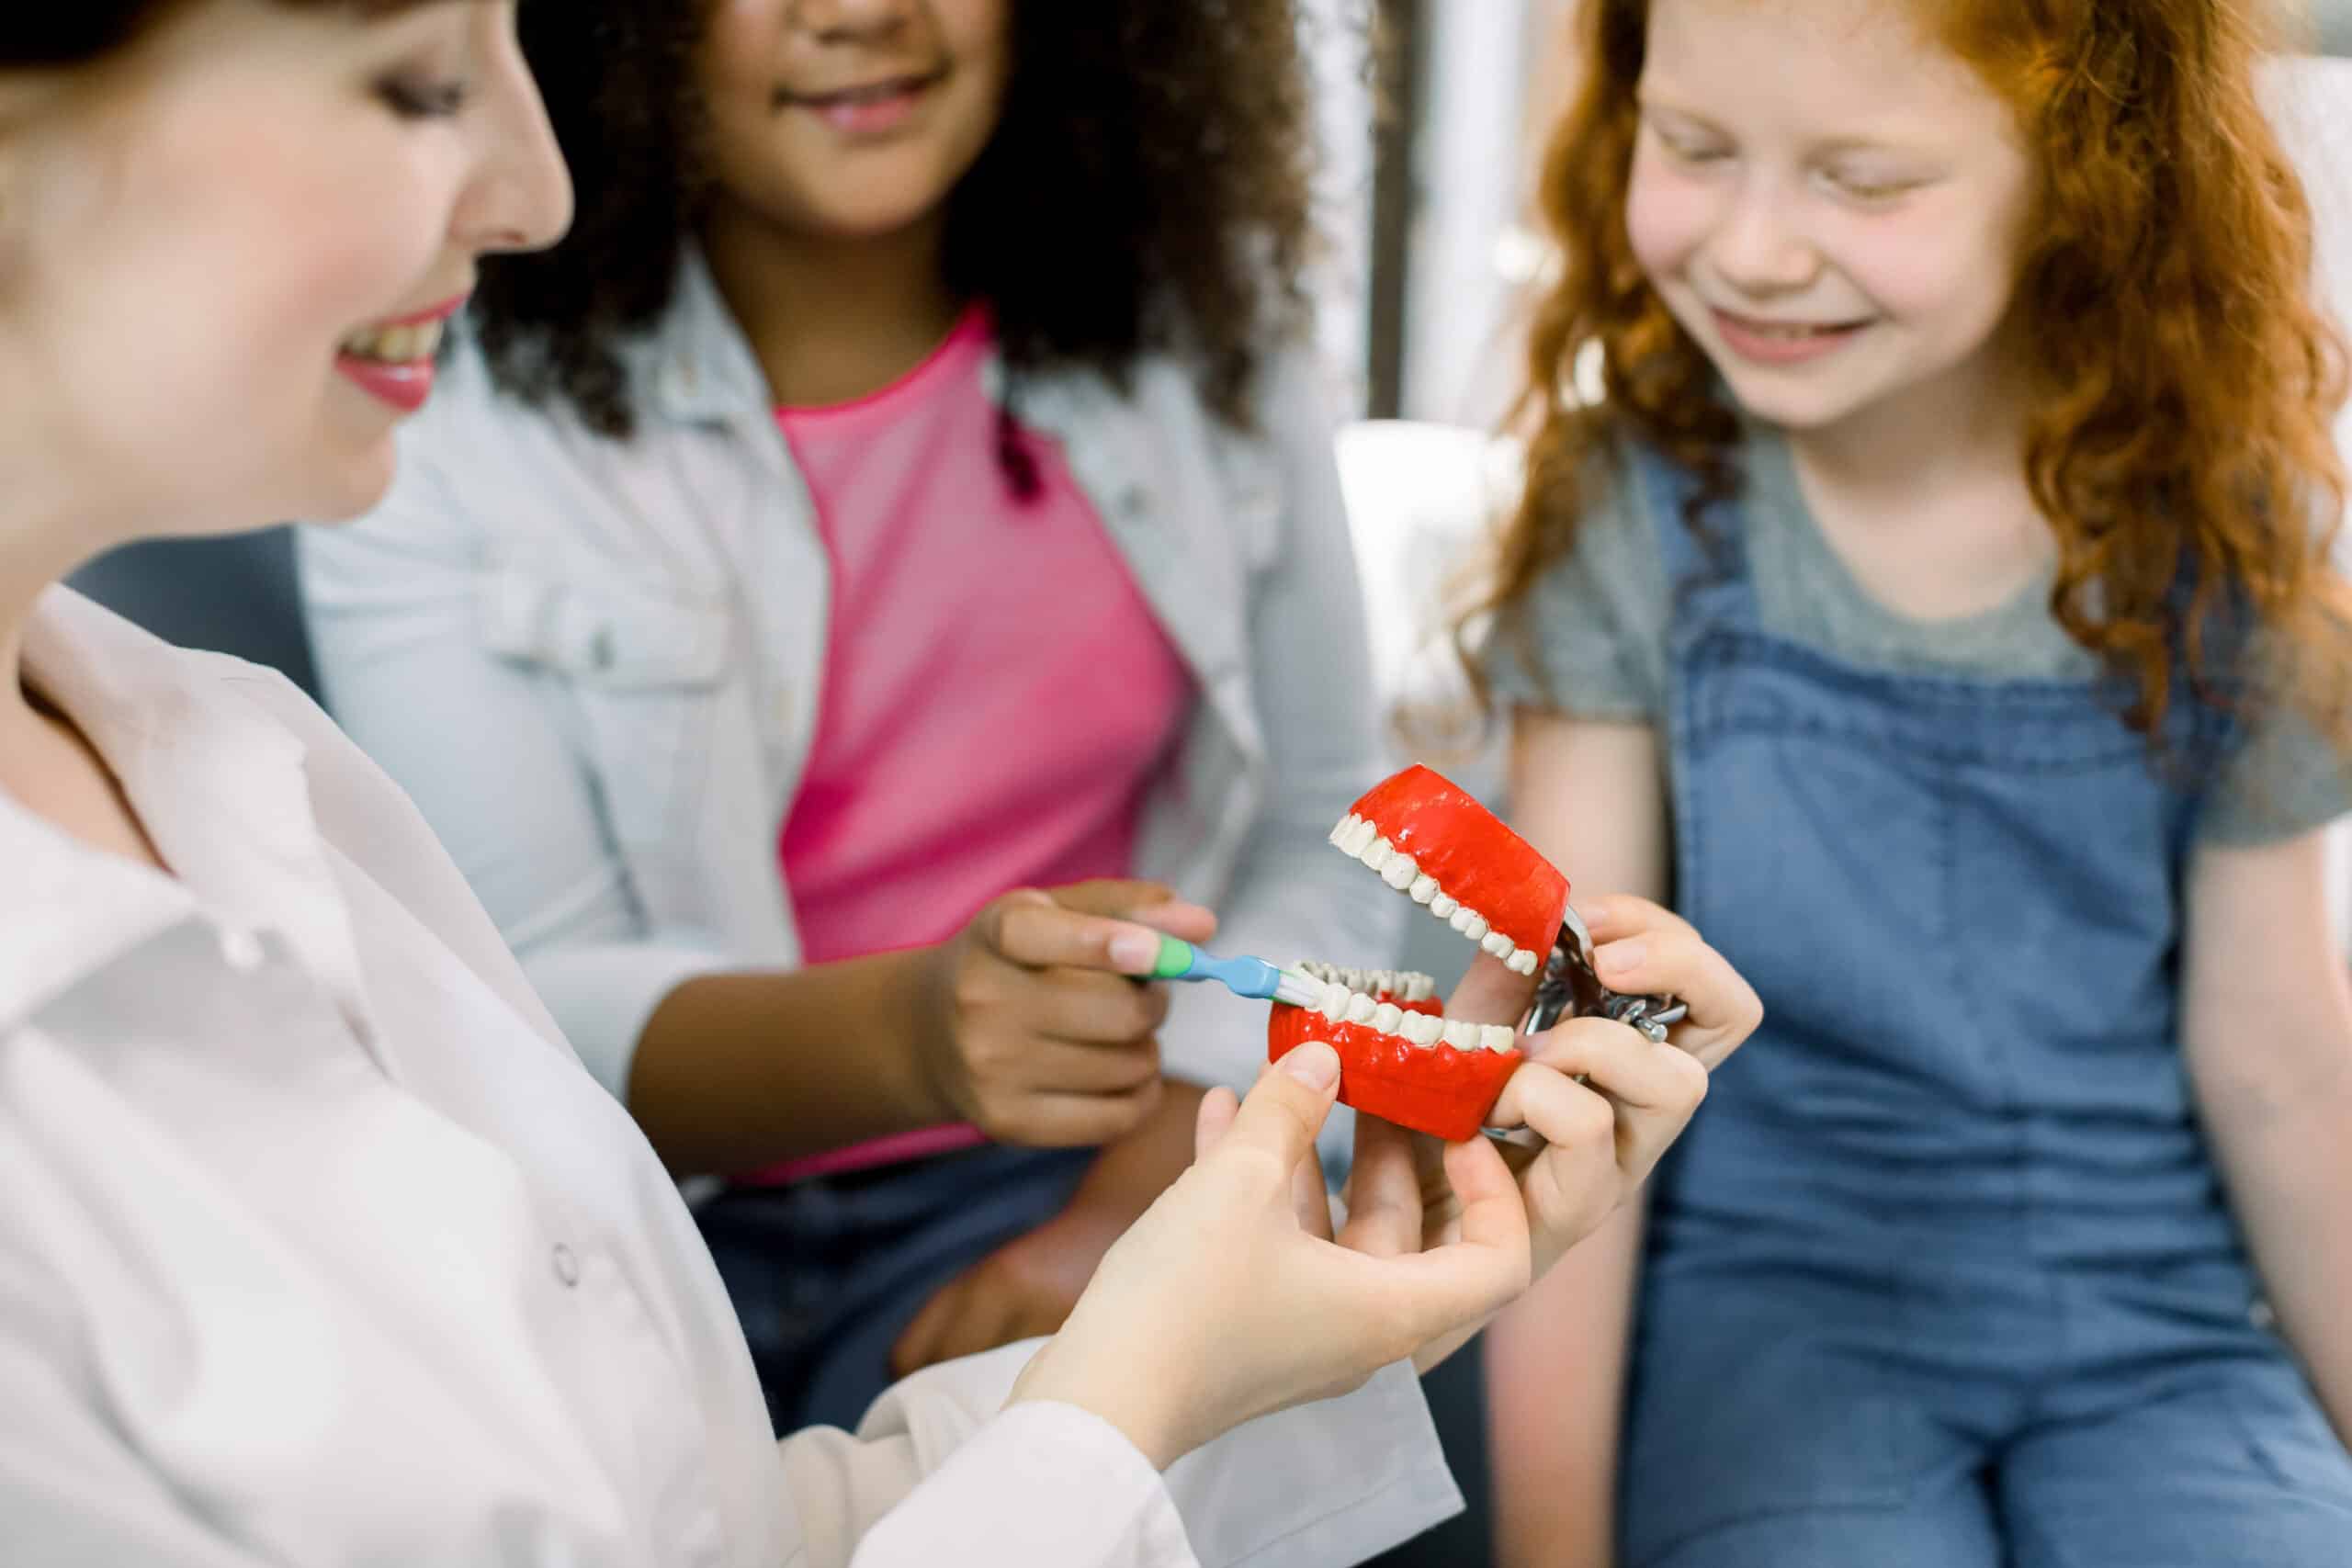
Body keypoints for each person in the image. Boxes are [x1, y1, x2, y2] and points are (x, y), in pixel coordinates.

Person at [0, 4, 1760, 1564]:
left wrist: (1188, 1243)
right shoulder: (433, 433)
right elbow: (555, 1026)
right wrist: (973, 1118)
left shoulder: (229, 752)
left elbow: (744, 1527)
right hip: (734, 1194)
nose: (522, 184)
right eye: (413, 77)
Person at [297, 0, 1411, 1431]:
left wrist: (1158, 1200)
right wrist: (915, 1036)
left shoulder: (1200, 309)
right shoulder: (435, 402)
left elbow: (1327, 817)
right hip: (632, 1222)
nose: (863, 12)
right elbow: (508, 1008)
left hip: (1102, 1162)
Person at [1464, 0, 2352, 1564]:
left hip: (2163, 1326)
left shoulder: (2222, 535)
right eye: (1691, 147)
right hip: (1775, 1313)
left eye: (1863, 183)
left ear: (2088, 174)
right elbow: (1566, 1073)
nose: (1750, 248)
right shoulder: (1639, 511)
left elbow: (2281, 1070)